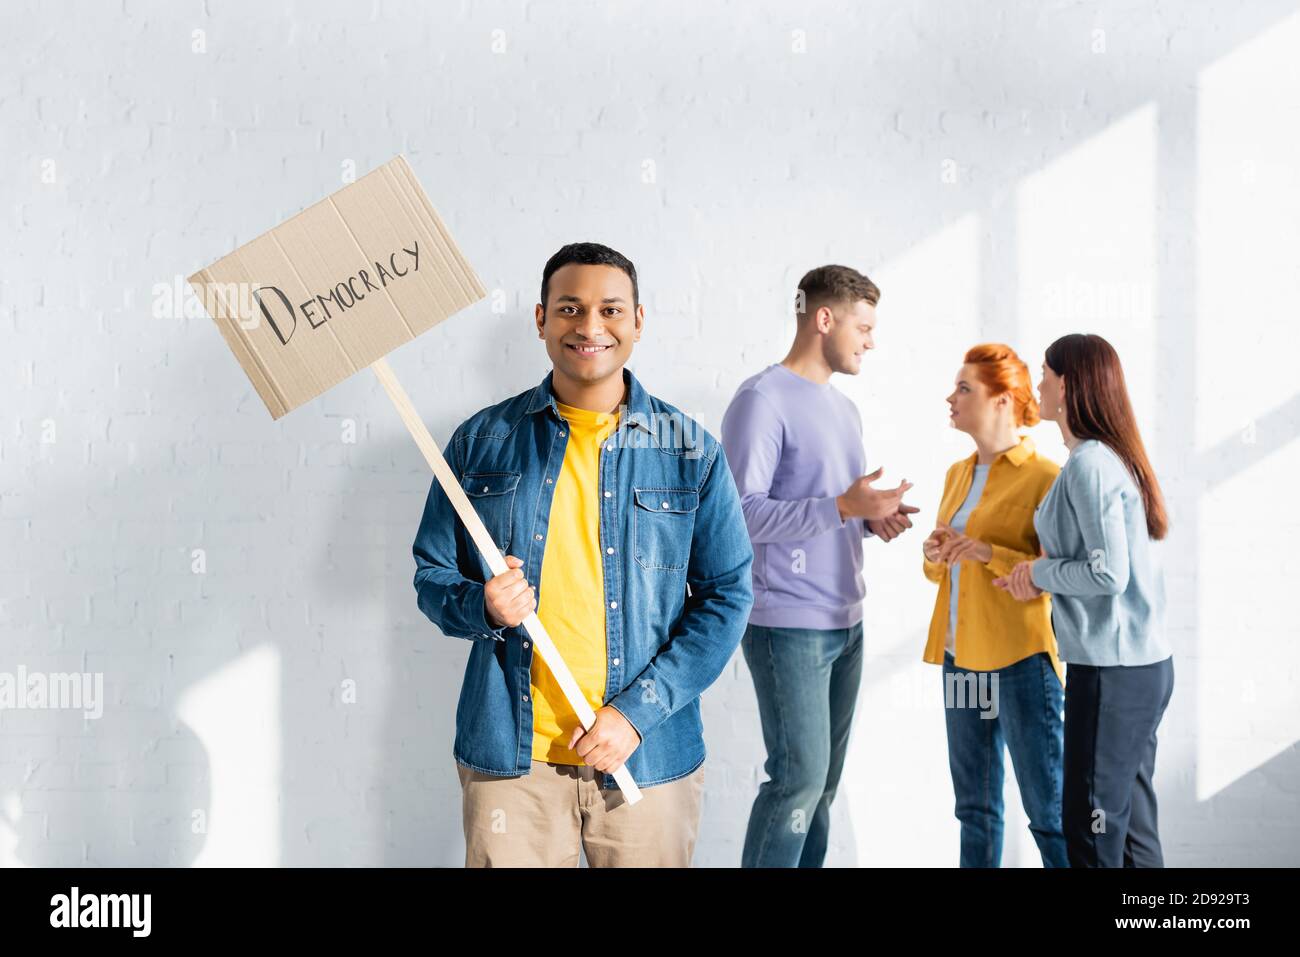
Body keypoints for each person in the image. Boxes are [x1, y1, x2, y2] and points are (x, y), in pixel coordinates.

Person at [412, 242, 754, 867]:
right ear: (541, 319)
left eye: (610, 309)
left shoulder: (689, 450)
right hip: (514, 763)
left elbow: (726, 596)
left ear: (638, 322)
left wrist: (633, 715)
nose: (589, 326)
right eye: (569, 308)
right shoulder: (482, 441)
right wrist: (482, 605)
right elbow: (432, 576)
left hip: (648, 758)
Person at [721, 264, 918, 867]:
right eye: (863, 326)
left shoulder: (844, 410)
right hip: (788, 625)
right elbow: (742, 517)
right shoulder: (761, 400)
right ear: (823, 319)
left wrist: (867, 517)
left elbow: (828, 508)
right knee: (797, 783)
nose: (870, 341)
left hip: (846, 619)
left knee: (823, 787)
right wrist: (840, 506)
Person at [994, 333, 1173, 868]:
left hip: (1112, 673)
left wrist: (1041, 572)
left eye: (1045, 373)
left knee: (1089, 825)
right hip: (1140, 670)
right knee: (1132, 830)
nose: (1038, 384)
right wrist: (1039, 574)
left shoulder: (1090, 464)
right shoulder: (1099, 458)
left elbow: (1108, 573)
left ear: (1068, 383)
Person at [921, 343, 1067, 867]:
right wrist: (936, 553)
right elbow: (939, 571)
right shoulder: (957, 474)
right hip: (962, 660)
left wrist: (988, 552)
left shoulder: (1046, 477)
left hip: (1022, 661)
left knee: (1049, 814)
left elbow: (1055, 576)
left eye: (965, 389)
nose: (951, 398)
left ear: (1003, 399)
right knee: (975, 810)